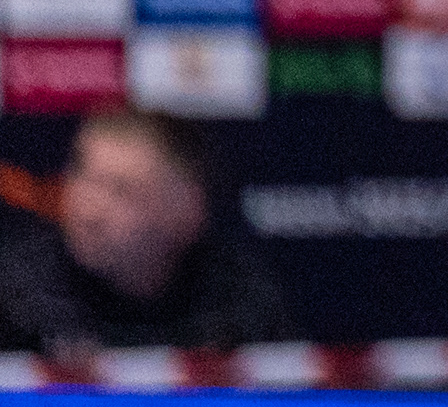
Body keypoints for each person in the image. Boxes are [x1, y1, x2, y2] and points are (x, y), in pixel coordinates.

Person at [0, 111, 290, 356]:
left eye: (121, 191)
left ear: (187, 210)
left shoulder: (239, 302)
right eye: (83, 177)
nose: (90, 212)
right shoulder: (14, 294)